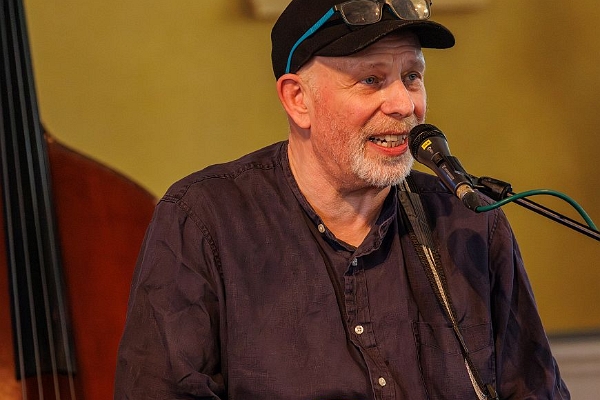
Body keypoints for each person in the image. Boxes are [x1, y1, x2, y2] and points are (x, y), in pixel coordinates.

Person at [114, 0, 570, 398]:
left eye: (411, 76)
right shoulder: (203, 221)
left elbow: (535, 390)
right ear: (298, 99)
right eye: (371, 80)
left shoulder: (470, 221)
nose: (404, 105)